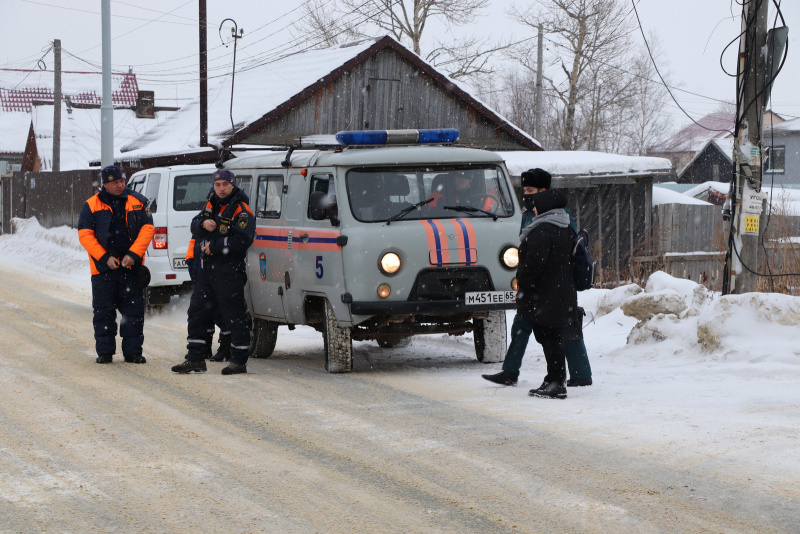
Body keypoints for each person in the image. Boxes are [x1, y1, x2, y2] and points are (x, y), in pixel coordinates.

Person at [482, 168, 592, 392]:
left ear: (543, 191)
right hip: (541, 286)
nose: (527, 196)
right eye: (524, 190)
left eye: (531, 191)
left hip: (553, 285)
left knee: (563, 328)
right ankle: (511, 370)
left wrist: (532, 279)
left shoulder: (558, 215)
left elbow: (564, 250)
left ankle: (580, 373)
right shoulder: (529, 213)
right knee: (523, 325)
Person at [172, 169, 255, 375]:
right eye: (218, 185)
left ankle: (238, 361)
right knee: (197, 313)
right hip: (206, 272)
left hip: (229, 272)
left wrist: (215, 247)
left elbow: (243, 240)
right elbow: (194, 225)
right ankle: (195, 358)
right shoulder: (210, 204)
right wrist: (202, 223)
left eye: (225, 184)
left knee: (233, 316)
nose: (221, 188)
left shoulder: (241, 209)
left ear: (232, 184)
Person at [78, 165, 154, 364]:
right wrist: (104, 258)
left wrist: (133, 254)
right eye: (115, 183)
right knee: (103, 313)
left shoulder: (138, 201)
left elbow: (147, 228)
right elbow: (85, 235)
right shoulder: (91, 205)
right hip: (103, 270)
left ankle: (133, 352)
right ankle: (105, 352)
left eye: (122, 181)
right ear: (105, 184)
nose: (121, 185)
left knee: (134, 313)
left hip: (131, 268)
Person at [185, 235, 230, 361]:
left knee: (220, 314)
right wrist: (189, 260)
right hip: (201, 273)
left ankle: (226, 348)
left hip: (216, 275)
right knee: (202, 315)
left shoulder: (219, 222)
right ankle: (204, 348)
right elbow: (194, 239)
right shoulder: (202, 221)